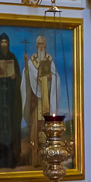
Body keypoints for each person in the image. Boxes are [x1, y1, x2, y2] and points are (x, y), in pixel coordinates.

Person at [0, 33, 23, 169]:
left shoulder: (12, 57)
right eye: (2, 42)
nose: (4, 45)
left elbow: (19, 78)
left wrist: (14, 77)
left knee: (11, 130)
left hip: (11, 102)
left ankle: (12, 159)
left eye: (6, 42)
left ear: (9, 44)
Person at [24, 34, 58, 166]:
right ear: (36, 46)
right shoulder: (32, 60)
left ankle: (47, 161)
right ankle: (36, 160)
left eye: (43, 44)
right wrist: (26, 67)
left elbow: (56, 77)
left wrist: (50, 77)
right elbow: (27, 77)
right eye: (39, 44)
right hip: (36, 101)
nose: (41, 46)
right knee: (36, 128)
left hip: (46, 100)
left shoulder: (49, 59)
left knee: (46, 128)